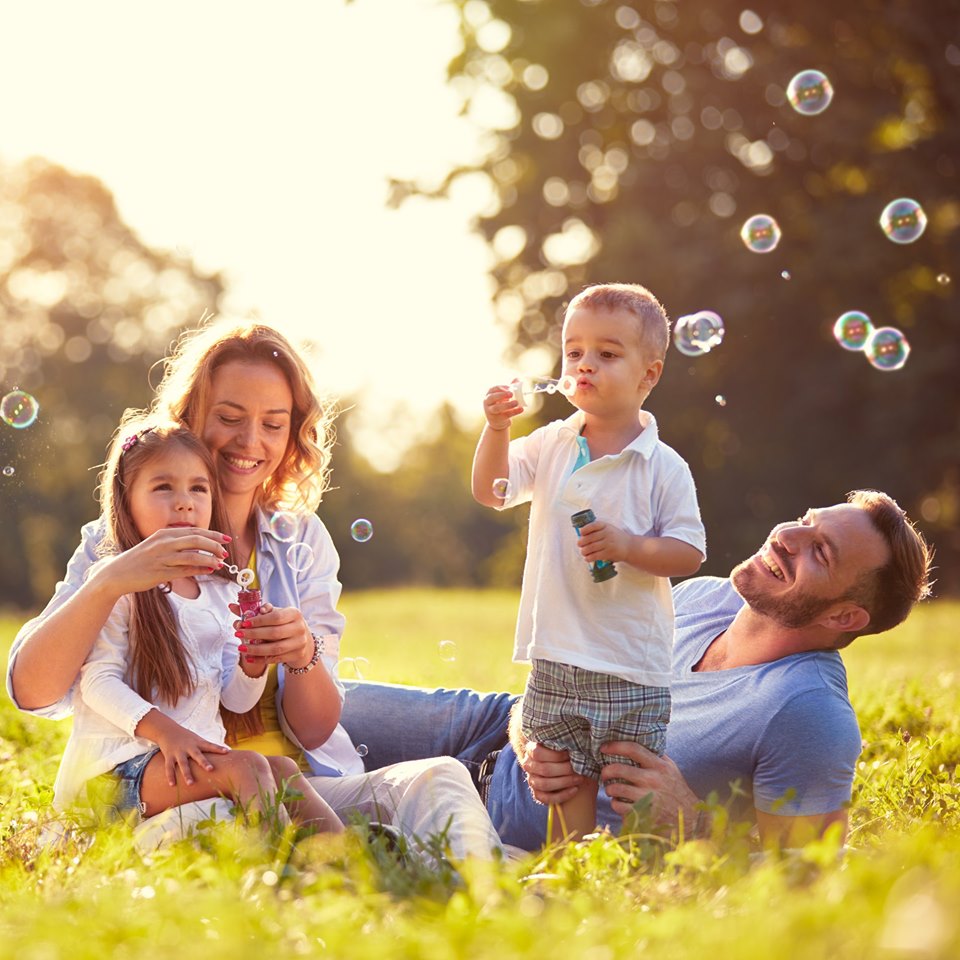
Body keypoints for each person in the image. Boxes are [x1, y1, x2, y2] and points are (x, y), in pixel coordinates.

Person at [7, 320, 500, 860]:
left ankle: (484, 900)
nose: (250, 442)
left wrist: (298, 654)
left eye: (274, 423)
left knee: (440, 779)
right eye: (229, 417)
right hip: (171, 791)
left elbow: (311, 730)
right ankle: (352, 873)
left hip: (298, 785)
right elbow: (33, 692)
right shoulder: (123, 540)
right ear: (190, 417)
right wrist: (109, 580)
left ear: (293, 433)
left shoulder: (300, 539)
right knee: (237, 836)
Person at [338, 490, 933, 850]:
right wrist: (528, 726)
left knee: (296, 798)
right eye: (806, 520)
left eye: (820, 551)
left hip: (514, 817)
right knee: (302, 702)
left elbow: (806, 881)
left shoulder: (808, 713)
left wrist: (695, 824)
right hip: (494, 726)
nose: (787, 536)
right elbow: (572, 670)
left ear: (846, 615)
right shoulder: (704, 597)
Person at [472, 283, 706, 840]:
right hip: (556, 649)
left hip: (629, 660)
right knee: (562, 777)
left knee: (632, 782)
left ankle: (647, 870)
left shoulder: (661, 466)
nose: (584, 365)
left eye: (607, 353)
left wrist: (628, 547)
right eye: (574, 352)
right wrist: (497, 429)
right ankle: (572, 868)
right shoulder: (552, 443)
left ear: (649, 375)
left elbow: (689, 552)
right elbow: (491, 489)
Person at [57, 422, 342, 833]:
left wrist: (252, 665)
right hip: (114, 773)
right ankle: (284, 869)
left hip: (184, 762)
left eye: (198, 489)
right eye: (163, 488)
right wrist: (169, 734)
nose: (185, 503)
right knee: (246, 766)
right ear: (126, 500)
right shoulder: (116, 581)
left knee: (281, 770)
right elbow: (96, 683)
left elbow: (236, 701)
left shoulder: (215, 591)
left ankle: (348, 860)